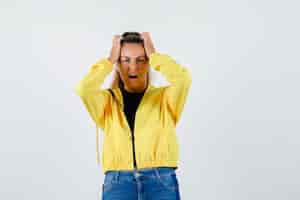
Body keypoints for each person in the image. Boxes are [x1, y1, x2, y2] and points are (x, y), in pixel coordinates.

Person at [75, 32, 192, 200]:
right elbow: (84, 88)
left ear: (148, 62)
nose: (133, 67)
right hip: (118, 183)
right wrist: (109, 60)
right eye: (125, 60)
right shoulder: (108, 102)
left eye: (140, 59)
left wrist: (154, 55)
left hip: (160, 182)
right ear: (118, 63)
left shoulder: (164, 99)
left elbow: (183, 79)